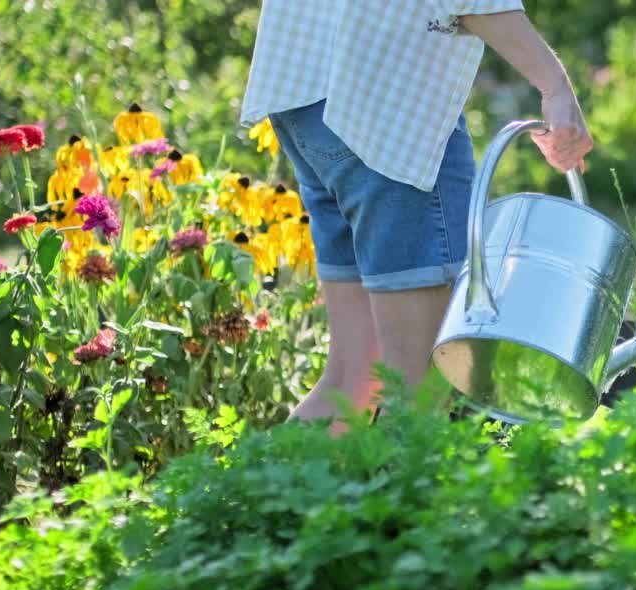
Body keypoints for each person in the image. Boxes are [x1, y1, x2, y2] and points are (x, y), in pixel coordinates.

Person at [240, 2, 593, 427]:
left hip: (303, 93)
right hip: (389, 111)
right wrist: (555, 86)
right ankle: (395, 492)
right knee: (421, 390)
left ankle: (236, 492)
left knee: (355, 379)